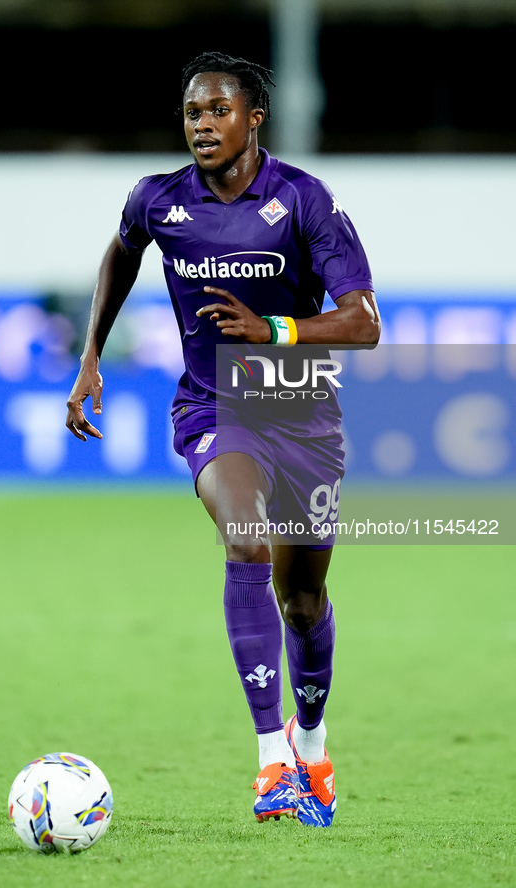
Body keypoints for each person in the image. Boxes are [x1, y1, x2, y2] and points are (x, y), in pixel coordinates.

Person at [66, 51, 380, 827]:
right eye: (191, 113)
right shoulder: (158, 200)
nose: (202, 125)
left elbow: (364, 324)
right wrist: (90, 355)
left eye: (217, 111)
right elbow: (121, 251)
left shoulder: (304, 201)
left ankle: (312, 743)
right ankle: (272, 760)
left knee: (302, 599)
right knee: (245, 539)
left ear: (253, 119)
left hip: (302, 413)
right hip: (214, 410)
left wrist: (272, 330)